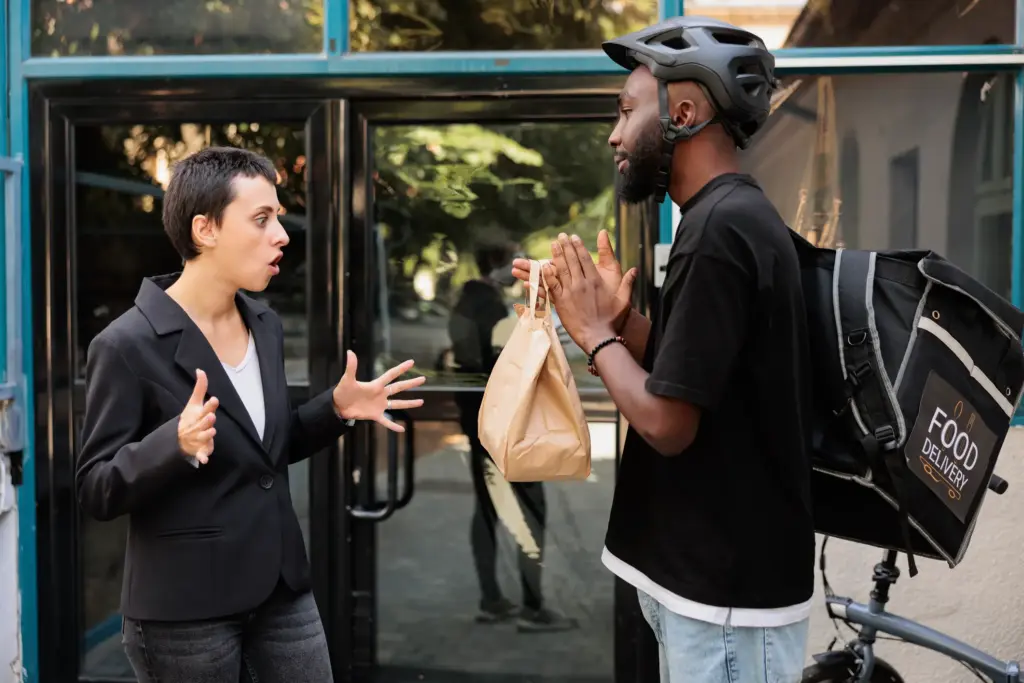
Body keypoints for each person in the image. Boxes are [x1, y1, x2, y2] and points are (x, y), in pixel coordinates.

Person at [511, 16, 815, 682]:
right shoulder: (724, 217)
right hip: (711, 595)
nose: (615, 135)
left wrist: (593, 334)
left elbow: (668, 423)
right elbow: (702, 372)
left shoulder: (718, 230)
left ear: (683, 111)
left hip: (727, 603)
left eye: (626, 111)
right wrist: (617, 317)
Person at [75, 146, 426, 683]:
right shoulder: (126, 345)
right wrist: (173, 444)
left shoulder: (264, 323)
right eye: (261, 219)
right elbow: (95, 487)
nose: (281, 235)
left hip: (282, 587)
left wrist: (334, 410)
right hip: (185, 608)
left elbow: (266, 450)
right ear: (205, 230)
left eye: (279, 218)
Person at [448, 236, 577, 632]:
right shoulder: (489, 306)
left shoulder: (466, 301)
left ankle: (492, 598)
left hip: (478, 423)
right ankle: (533, 607)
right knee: (531, 508)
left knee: (486, 510)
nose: (520, 262)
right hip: (509, 423)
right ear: (498, 263)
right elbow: (509, 359)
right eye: (515, 256)